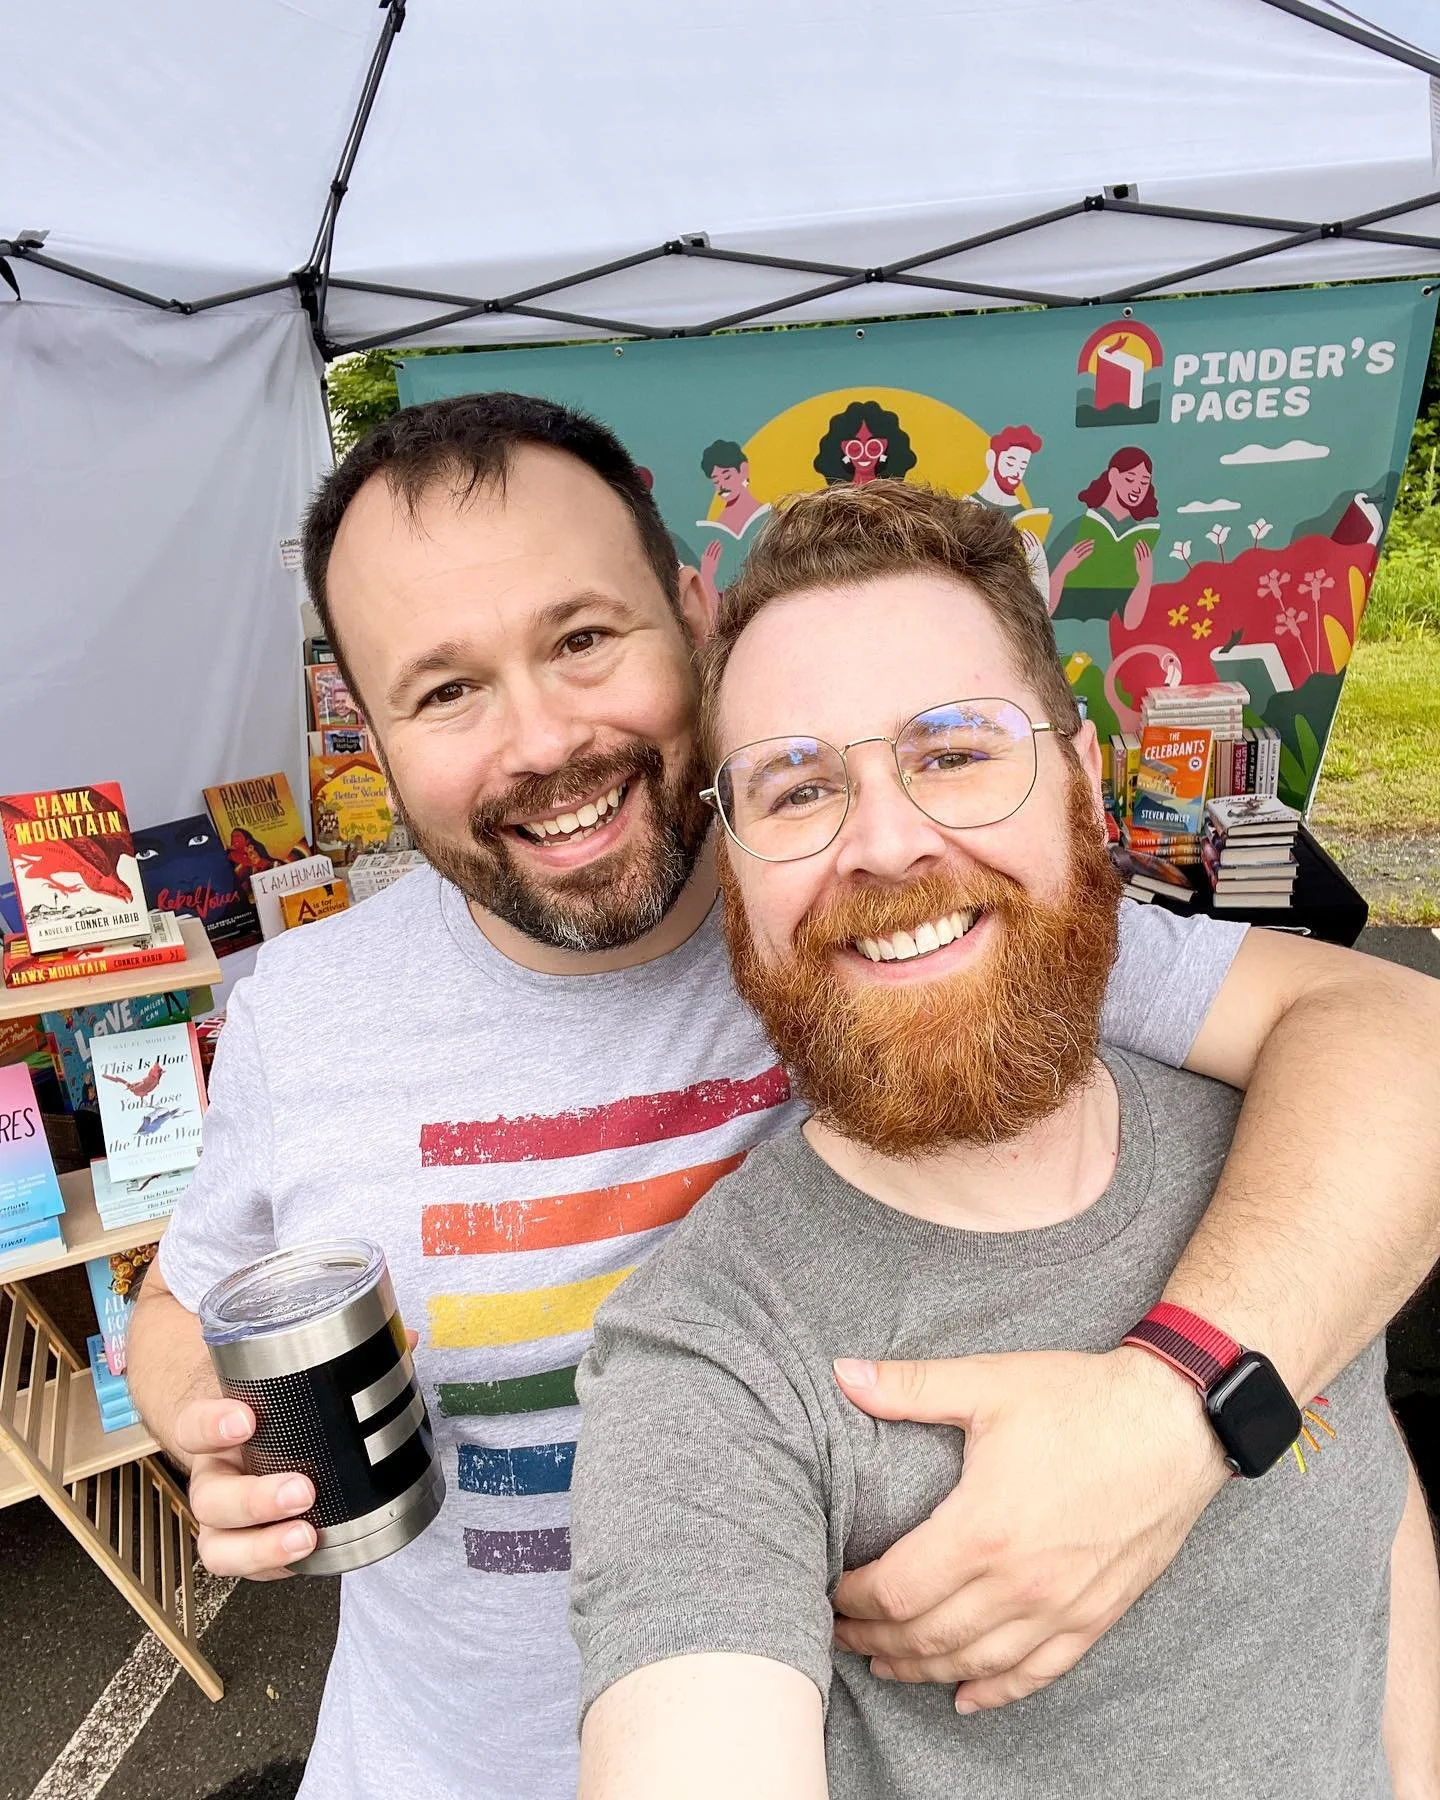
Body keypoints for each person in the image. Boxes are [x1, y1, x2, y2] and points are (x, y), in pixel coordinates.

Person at [124, 395, 1440, 1800]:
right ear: (371, 731)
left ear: (689, 612)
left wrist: (1180, 1408)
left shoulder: (892, 919)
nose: (544, 742)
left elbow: (1387, 1038)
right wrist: (211, 1434)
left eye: (582, 640)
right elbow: (179, 1306)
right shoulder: (303, 1014)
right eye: (445, 692)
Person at [571, 483, 1440, 1798]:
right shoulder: (707, 1370)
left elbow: (1370, 1511)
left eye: (957, 750)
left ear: (1085, 788)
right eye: (796, 787)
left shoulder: (1298, 1156)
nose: (886, 840)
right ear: (733, 871)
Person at [1049, 445, 1159, 619]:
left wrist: (1145, 577)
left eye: (1144, 482)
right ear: (1113, 476)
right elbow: (1042, 609)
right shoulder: (1079, 527)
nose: (1137, 489)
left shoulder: (1137, 539)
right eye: (1130, 479)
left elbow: (1131, 622)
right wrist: (1064, 567)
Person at [695, 437, 770, 610]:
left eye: (727, 476)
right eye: (716, 481)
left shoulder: (770, 515)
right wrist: (707, 574)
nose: (722, 485)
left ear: (743, 470)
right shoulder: (716, 528)